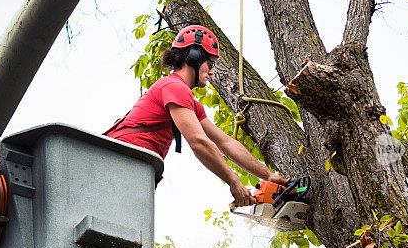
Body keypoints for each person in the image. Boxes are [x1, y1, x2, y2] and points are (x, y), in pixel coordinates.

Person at [105, 24, 288, 207]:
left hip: (131, 167)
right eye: (210, 64)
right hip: (115, 162)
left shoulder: (188, 102)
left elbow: (225, 142)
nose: (212, 72)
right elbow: (199, 142)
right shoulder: (174, 87)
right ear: (194, 57)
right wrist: (234, 182)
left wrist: (268, 175)